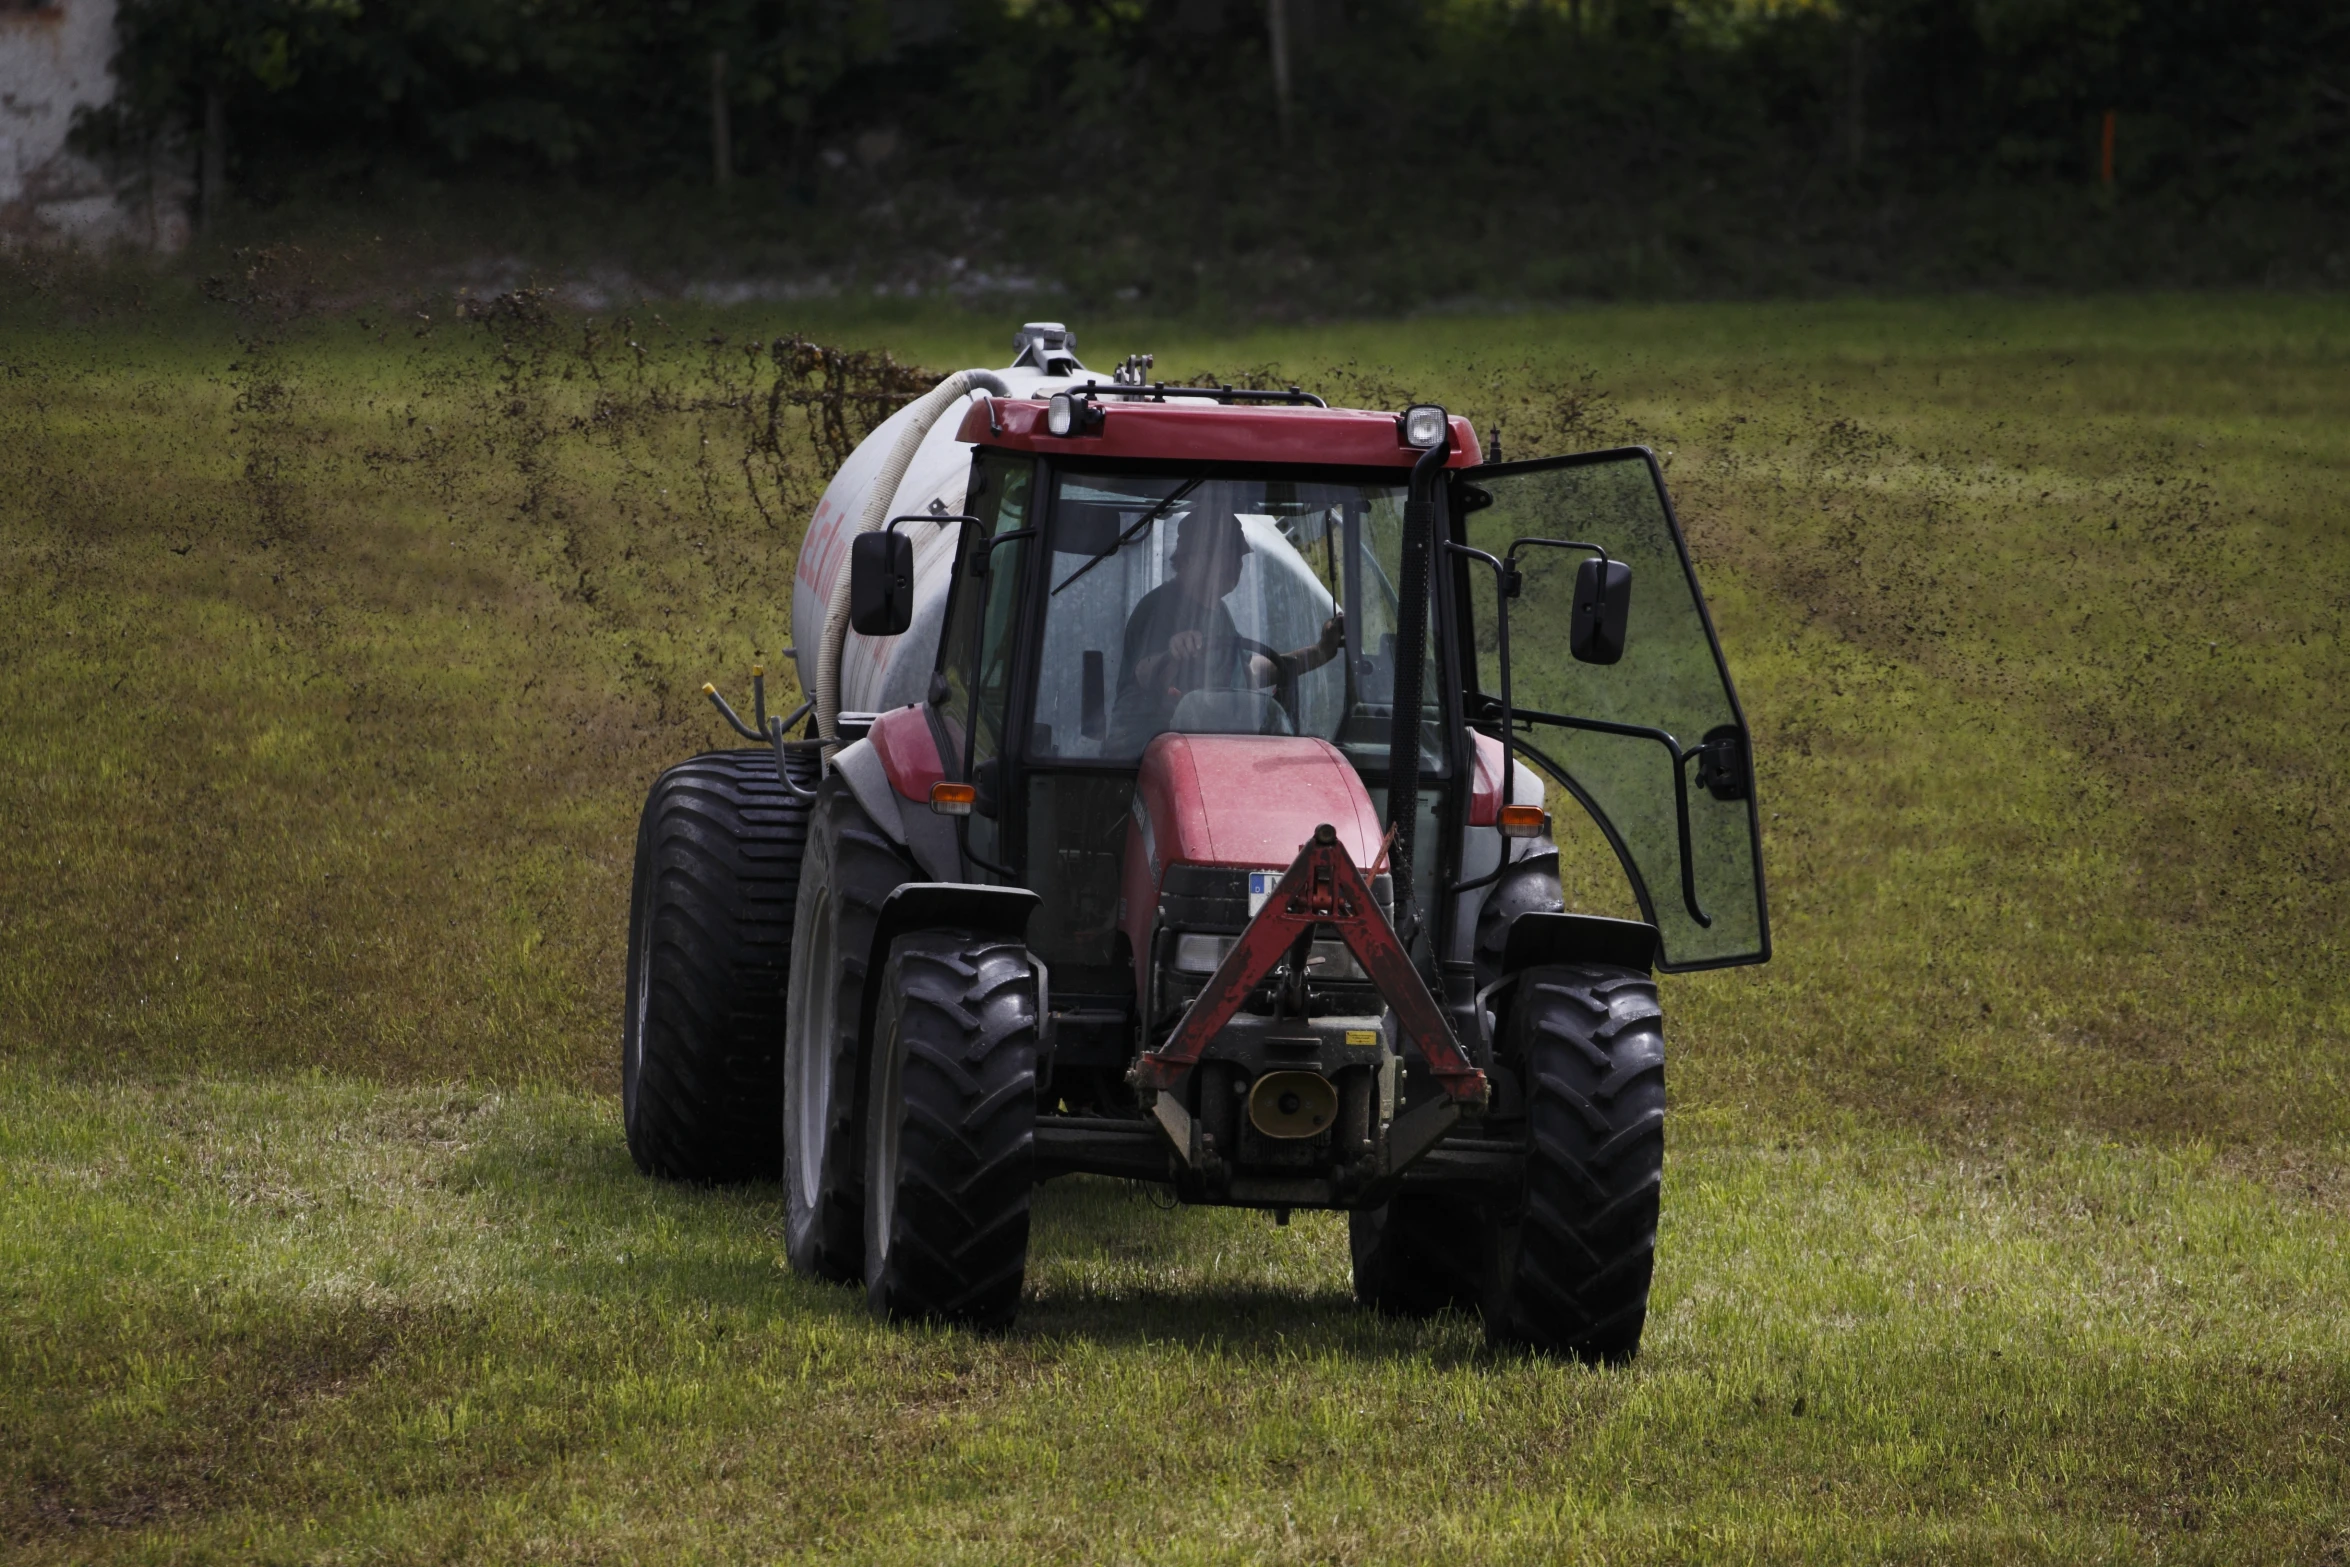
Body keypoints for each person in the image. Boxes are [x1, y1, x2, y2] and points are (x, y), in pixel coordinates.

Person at [1109, 508, 1342, 750]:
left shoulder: (1218, 612)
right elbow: (1145, 673)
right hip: (1147, 756)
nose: (1235, 566)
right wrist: (1173, 653)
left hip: (1203, 748)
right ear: (1189, 558)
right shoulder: (1160, 608)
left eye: (1238, 558)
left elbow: (1246, 671)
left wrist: (1319, 652)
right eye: (1224, 556)